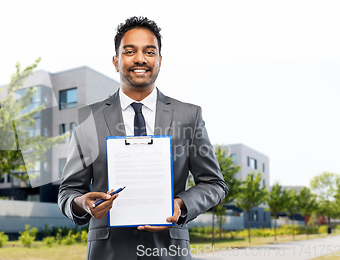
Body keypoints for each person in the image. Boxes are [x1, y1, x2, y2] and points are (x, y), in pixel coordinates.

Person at [58, 16, 228, 259]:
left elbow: (214, 184)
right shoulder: (89, 119)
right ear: (116, 61)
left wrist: (181, 204)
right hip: (108, 252)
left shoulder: (189, 116)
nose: (140, 59)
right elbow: (68, 191)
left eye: (149, 51)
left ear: (159, 60)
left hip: (170, 251)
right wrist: (83, 203)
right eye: (130, 51)